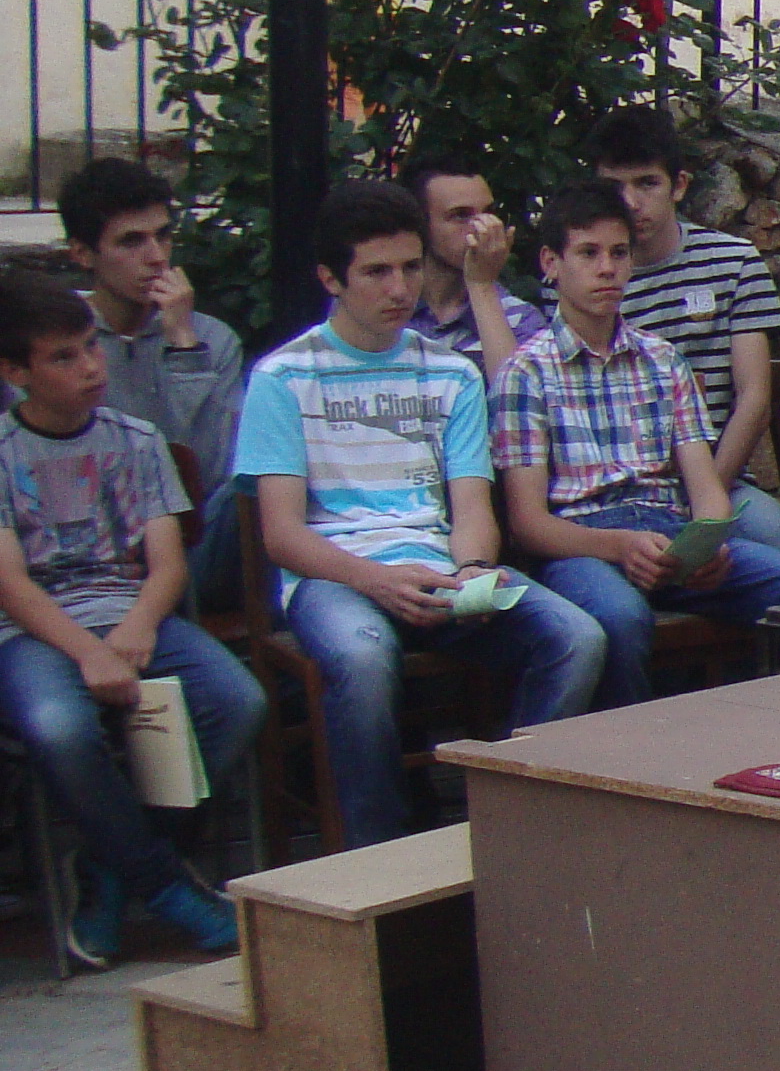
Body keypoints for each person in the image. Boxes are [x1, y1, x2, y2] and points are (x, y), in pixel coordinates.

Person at [236, 179, 606, 849]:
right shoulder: (282, 377)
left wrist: (473, 568)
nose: (399, 288)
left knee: (576, 637)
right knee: (361, 658)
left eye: (410, 267)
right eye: (376, 272)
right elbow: (283, 536)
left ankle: (505, 821)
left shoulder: (450, 372)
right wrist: (375, 580)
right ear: (331, 278)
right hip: (336, 574)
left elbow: (472, 506)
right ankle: (375, 857)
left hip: (439, 568)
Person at [495, 181, 780, 703]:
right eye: (589, 254)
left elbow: (705, 488)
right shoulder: (525, 372)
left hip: (669, 534)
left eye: (619, 253)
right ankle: (636, 745)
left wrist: (707, 545)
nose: (607, 269)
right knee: (620, 617)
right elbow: (528, 526)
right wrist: (620, 545)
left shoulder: (663, 360)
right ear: (551, 263)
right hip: (581, 545)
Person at [0, 274, 253, 961]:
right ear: (15, 373)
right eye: (63, 357)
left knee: (237, 701)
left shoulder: (137, 440)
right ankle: (167, 887)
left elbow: (167, 564)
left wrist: (137, 628)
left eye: (90, 346)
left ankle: (109, 869)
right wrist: (90, 652)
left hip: (134, 615)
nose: (90, 366)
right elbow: (11, 586)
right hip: (34, 633)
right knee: (58, 728)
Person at [581, 108, 780, 564]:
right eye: (614, 187)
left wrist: (706, 501)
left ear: (679, 185)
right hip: (613, 487)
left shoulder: (734, 262)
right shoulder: (578, 278)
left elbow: (753, 398)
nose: (631, 203)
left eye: (647, 183)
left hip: (718, 475)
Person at [58, 158, 245, 559]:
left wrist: (184, 350)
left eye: (163, 236)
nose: (157, 257)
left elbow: (212, 477)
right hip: (91, 545)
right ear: (83, 254)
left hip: (195, 543)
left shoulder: (211, 340)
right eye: (131, 242)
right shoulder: (58, 341)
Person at [403, 154, 545, 372]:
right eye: (460, 215)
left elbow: (511, 390)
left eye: (488, 213)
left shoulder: (519, 317)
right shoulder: (386, 309)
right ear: (418, 225)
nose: (482, 227)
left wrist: (481, 285)